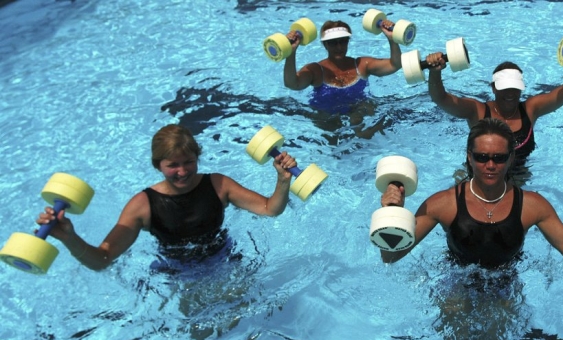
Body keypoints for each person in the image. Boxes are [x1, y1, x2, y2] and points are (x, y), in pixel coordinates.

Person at [35, 124, 298, 271]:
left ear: (197, 158)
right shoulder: (142, 205)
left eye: (189, 162)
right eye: (173, 165)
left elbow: (269, 209)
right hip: (179, 273)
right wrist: (69, 237)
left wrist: (283, 180)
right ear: (157, 165)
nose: (182, 171)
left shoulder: (219, 184)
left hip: (226, 259)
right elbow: (102, 259)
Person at [379, 118, 563, 268]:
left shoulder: (532, 206)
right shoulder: (443, 204)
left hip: (506, 283)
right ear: (469, 157)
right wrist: (392, 212)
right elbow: (390, 256)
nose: (490, 165)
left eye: (499, 158)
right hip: (456, 282)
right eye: (481, 157)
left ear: (511, 158)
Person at [425, 48, 563, 166]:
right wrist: (435, 72)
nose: (510, 93)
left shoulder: (531, 109)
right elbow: (441, 98)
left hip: (518, 177)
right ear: (493, 88)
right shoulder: (477, 111)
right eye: (504, 88)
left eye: (515, 88)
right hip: (475, 176)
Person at [283, 20, 402, 141]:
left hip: (357, 111)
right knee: (331, 131)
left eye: (343, 41)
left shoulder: (361, 65)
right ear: (325, 44)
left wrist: (392, 39)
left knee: (367, 108)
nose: (339, 47)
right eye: (333, 43)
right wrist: (291, 52)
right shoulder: (316, 70)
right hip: (326, 117)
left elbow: (395, 65)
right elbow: (292, 83)